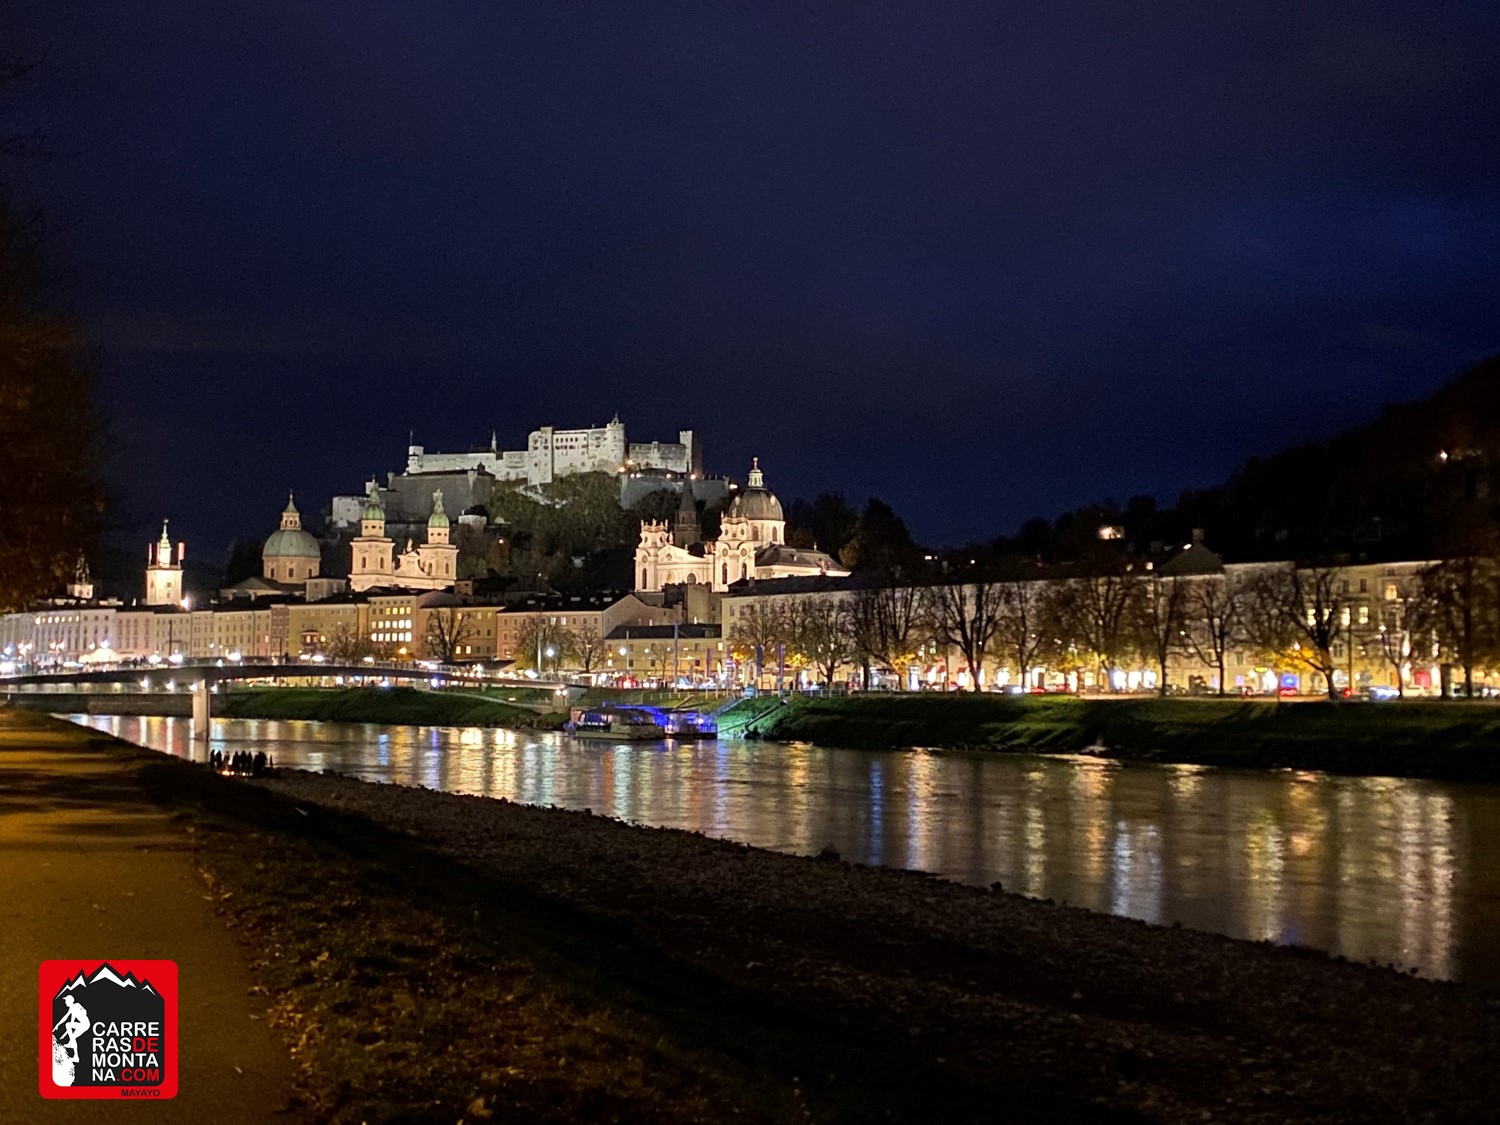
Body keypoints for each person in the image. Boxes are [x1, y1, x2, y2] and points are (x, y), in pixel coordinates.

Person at [53, 995, 88, 1063]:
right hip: (85, 1025)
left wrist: (57, 1025)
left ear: (69, 1001)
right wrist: (64, 1035)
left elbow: (65, 1018)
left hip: (84, 1024)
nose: (65, 1002)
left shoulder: (73, 1007)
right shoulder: (75, 1007)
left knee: (68, 1025)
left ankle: (71, 1043)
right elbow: (71, 1025)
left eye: (66, 1001)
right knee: (72, 1036)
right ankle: (76, 1057)